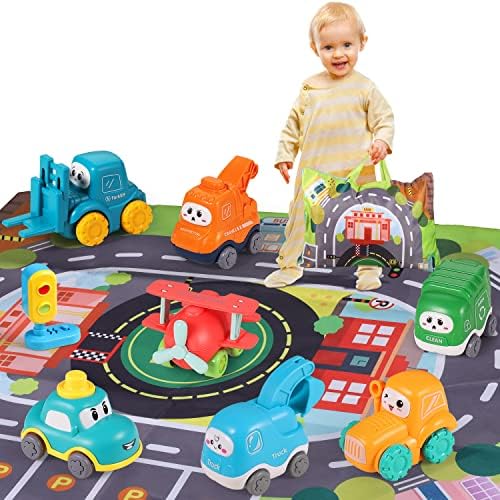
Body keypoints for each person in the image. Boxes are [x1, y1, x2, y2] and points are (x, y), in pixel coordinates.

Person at [264, 2, 394, 288]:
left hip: (356, 172)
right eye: (328, 47)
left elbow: (384, 118)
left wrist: (382, 141)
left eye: (347, 45)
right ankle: (289, 265)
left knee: (363, 222)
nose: (338, 54)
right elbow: (293, 125)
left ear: (362, 42)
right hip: (314, 171)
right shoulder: (309, 87)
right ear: (315, 48)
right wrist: (285, 155)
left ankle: (368, 270)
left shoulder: (365, 87)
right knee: (299, 218)